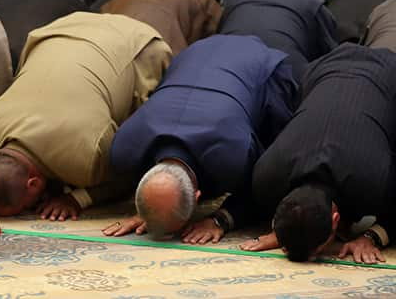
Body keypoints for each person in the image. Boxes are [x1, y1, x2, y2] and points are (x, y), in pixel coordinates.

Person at [105, 35, 297, 243]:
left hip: (261, 65)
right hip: (196, 52)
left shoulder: (233, 154)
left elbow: (263, 188)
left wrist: (221, 219)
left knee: (280, 157)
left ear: (198, 198)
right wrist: (151, 211)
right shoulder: (124, 148)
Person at [0, 13, 170, 219]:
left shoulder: (88, 156)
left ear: (33, 184)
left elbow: (131, 174)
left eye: (25, 207)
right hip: (60, 29)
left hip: (136, 44)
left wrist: (78, 199)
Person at [244, 44, 396, 264]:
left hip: (388, 74)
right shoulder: (267, 174)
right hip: (324, 67)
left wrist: (371, 237)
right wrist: (286, 229)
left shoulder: (372, 181)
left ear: (335, 220)